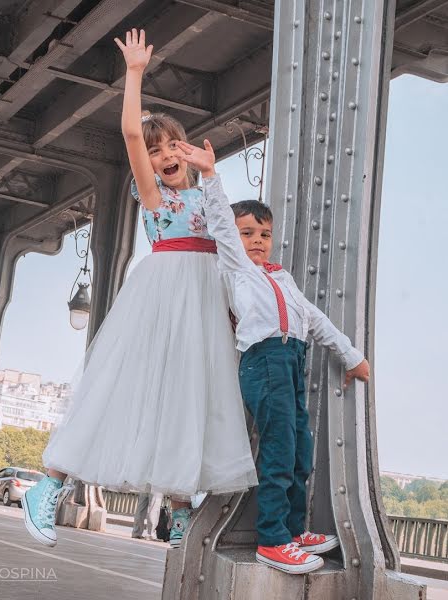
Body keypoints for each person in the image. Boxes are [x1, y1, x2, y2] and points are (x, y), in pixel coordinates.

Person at [21, 29, 257, 549]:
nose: (163, 155)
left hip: (201, 304)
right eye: (154, 152)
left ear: (186, 149)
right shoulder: (153, 197)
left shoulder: (208, 195)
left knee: (190, 397)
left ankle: (176, 511)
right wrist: (134, 75)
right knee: (120, 389)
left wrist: (211, 175)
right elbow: (130, 134)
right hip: (161, 295)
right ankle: (49, 486)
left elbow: (230, 247)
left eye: (171, 145)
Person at [178, 138, 370, 574]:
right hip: (264, 361)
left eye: (264, 234)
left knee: (301, 447)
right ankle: (272, 539)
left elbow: (314, 318)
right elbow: (223, 229)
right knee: (279, 448)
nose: (257, 241)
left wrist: (351, 356)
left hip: (292, 360)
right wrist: (209, 175)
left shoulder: (280, 277)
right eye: (248, 234)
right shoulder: (236, 268)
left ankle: (293, 530)